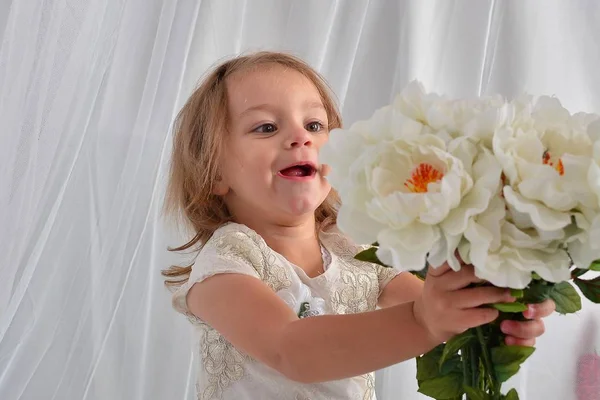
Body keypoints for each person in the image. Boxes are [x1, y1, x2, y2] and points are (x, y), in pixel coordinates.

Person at [162, 51, 555, 400]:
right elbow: (292, 350)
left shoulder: (350, 247)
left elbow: (430, 302)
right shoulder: (225, 264)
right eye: (266, 127)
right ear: (213, 171)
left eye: (315, 125)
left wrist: (488, 309)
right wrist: (426, 321)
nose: (300, 137)